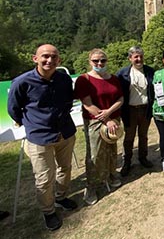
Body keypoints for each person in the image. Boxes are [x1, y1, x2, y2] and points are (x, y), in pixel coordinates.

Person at [7, 44, 77, 231]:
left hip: (65, 133)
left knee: (65, 167)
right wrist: (32, 124)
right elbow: (13, 109)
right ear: (35, 58)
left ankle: (61, 197)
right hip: (39, 137)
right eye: (45, 56)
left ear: (59, 60)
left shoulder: (63, 79)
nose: (50, 60)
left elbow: (68, 101)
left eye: (54, 57)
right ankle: (48, 211)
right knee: (44, 178)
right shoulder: (22, 82)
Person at [74, 49, 124, 206]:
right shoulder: (84, 80)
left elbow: (120, 98)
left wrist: (109, 112)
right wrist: (106, 119)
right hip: (95, 121)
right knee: (95, 154)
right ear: (90, 61)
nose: (99, 63)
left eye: (102, 60)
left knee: (111, 149)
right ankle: (91, 186)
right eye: (96, 61)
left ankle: (111, 174)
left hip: (114, 118)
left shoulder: (113, 79)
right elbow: (87, 104)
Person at [117, 46, 155, 177]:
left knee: (143, 135)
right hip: (130, 110)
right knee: (129, 137)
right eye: (136, 57)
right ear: (130, 58)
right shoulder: (122, 74)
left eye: (141, 56)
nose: (139, 59)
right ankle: (127, 162)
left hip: (145, 109)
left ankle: (143, 158)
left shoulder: (150, 71)